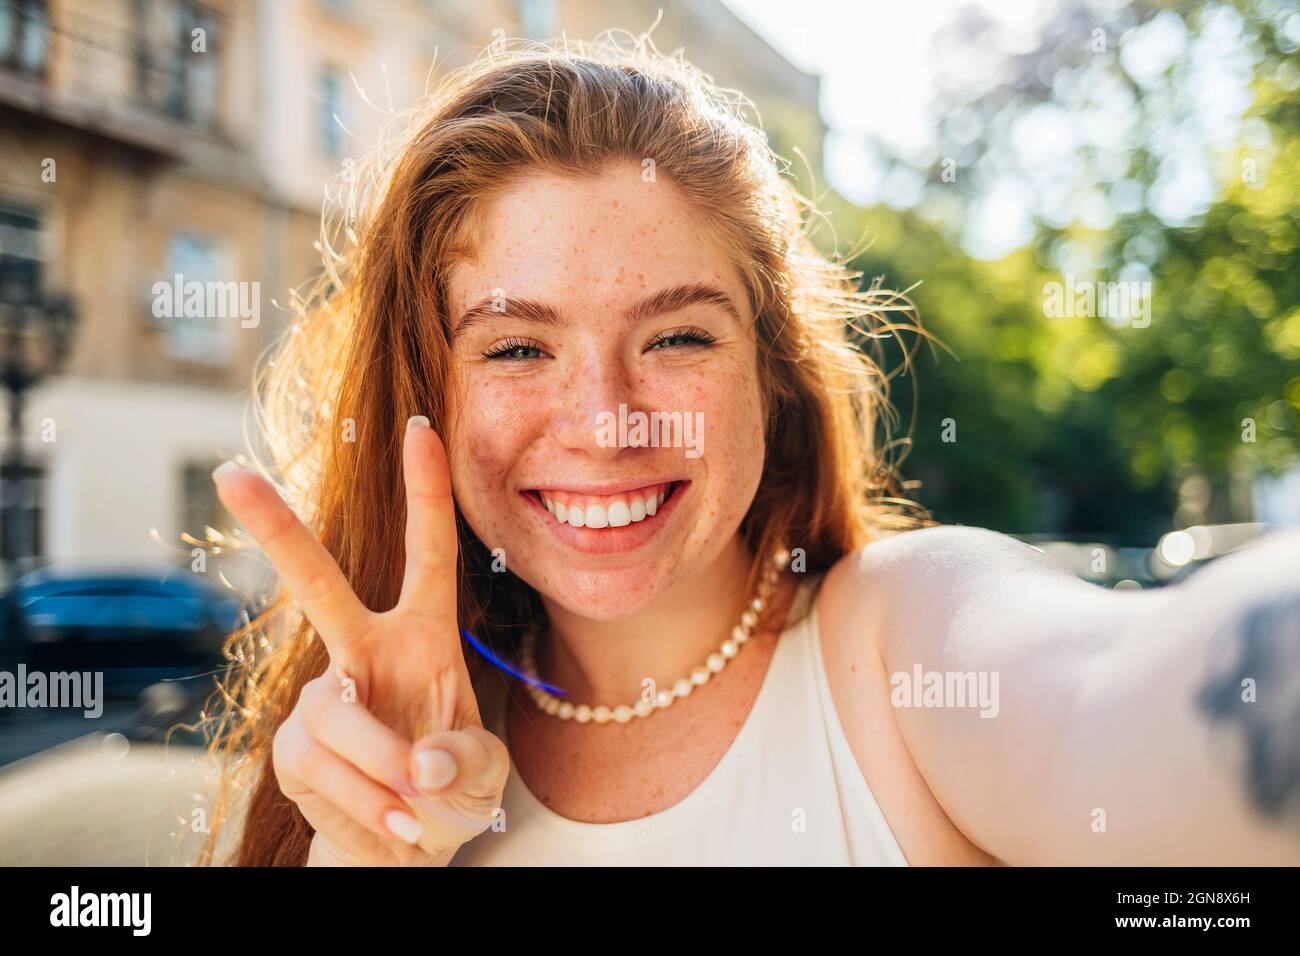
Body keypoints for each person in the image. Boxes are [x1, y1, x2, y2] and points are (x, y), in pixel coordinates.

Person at [200, 38, 1300, 866]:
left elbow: (1116, 700)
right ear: (426, 392)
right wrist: (361, 845)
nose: (605, 420)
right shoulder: (377, 743)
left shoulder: (905, 638)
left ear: (769, 370)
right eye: (518, 345)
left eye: (677, 335)